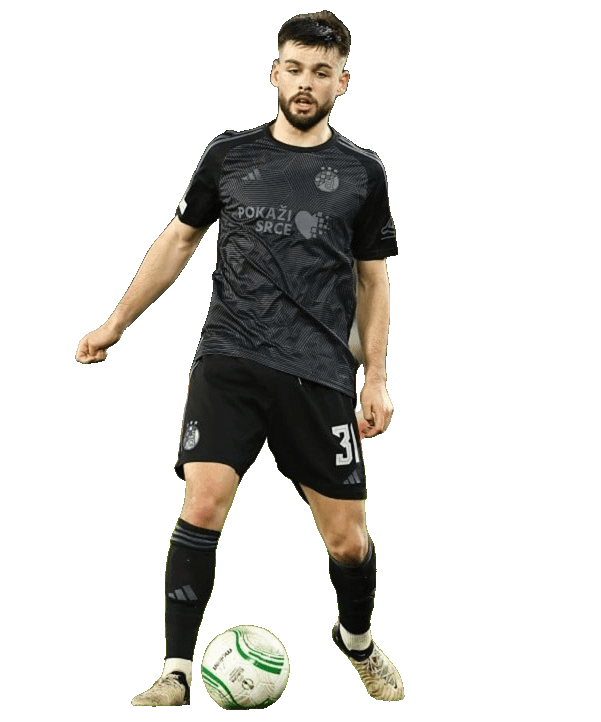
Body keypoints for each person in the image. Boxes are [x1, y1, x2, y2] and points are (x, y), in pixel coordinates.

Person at [75, 11, 403, 704]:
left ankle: (356, 640)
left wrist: (375, 377)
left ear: (342, 83)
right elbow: (178, 241)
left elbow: (372, 281)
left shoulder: (363, 172)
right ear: (275, 73)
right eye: (295, 68)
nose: (305, 82)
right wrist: (115, 323)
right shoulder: (229, 156)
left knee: (348, 542)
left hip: (318, 372)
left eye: (321, 72)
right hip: (229, 357)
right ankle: (175, 672)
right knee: (203, 502)